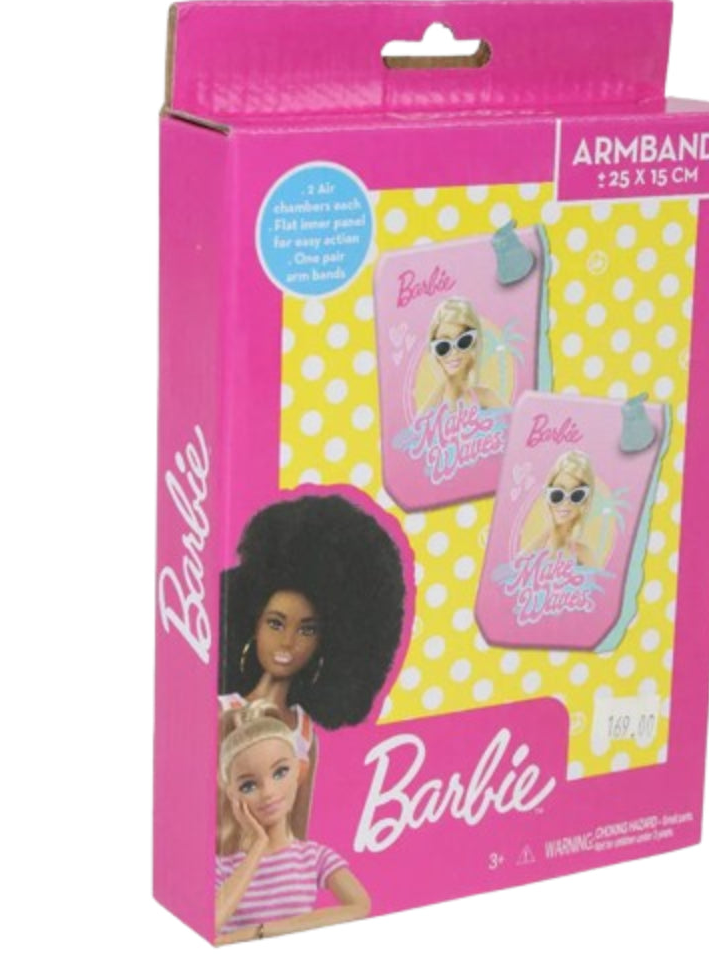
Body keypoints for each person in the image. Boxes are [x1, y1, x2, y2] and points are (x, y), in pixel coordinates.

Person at [219, 493, 407, 838]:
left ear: (327, 644)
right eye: (276, 623)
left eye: (306, 630)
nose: (288, 642)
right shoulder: (224, 711)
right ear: (252, 624)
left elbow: (298, 832)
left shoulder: (304, 731)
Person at [215, 701, 370, 943]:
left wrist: (260, 931)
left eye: (280, 773)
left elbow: (360, 906)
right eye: (248, 786)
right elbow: (212, 922)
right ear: (232, 794)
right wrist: (258, 846)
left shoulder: (313, 857)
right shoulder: (222, 868)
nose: (268, 793)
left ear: (298, 770)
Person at [421, 297, 506, 412]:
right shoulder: (431, 406)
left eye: (463, 341)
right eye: (443, 346)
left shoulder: (486, 397)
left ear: (474, 343)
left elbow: (515, 421)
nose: (454, 352)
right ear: (434, 352)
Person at [522, 450, 598, 568]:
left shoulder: (584, 555)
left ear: (586, 500)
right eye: (558, 494)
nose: (566, 503)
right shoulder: (532, 551)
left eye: (576, 495)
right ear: (547, 495)